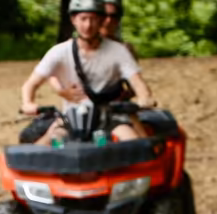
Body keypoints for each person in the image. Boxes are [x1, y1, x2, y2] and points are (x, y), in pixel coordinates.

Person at [20, 0, 155, 146]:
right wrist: (28, 103)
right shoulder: (59, 52)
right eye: (83, 19)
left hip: (110, 116)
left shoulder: (119, 51)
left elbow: (137, 82)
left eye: (93, 19)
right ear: (74, 20)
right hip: (69, 117)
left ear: (101, 21)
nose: (88, 25)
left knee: (134, 144)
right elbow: (31, 84)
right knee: (43, 147)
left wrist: (144, 97)